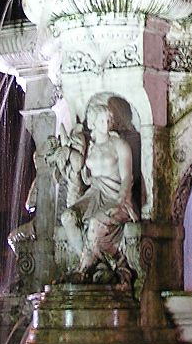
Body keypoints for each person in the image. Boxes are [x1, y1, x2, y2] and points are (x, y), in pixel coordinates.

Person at [59, 96, 138, 280]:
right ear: (93, 122)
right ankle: (91, 260)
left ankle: (84, 270)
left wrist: (121, 200)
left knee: (95, 222)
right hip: (94, 194)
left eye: (109, 119)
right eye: (103, 120)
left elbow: (127, 177)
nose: (107, 123)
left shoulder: (120, 144)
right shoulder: (89, 148)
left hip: (116, 196)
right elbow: (80, 174)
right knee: (68, 217)